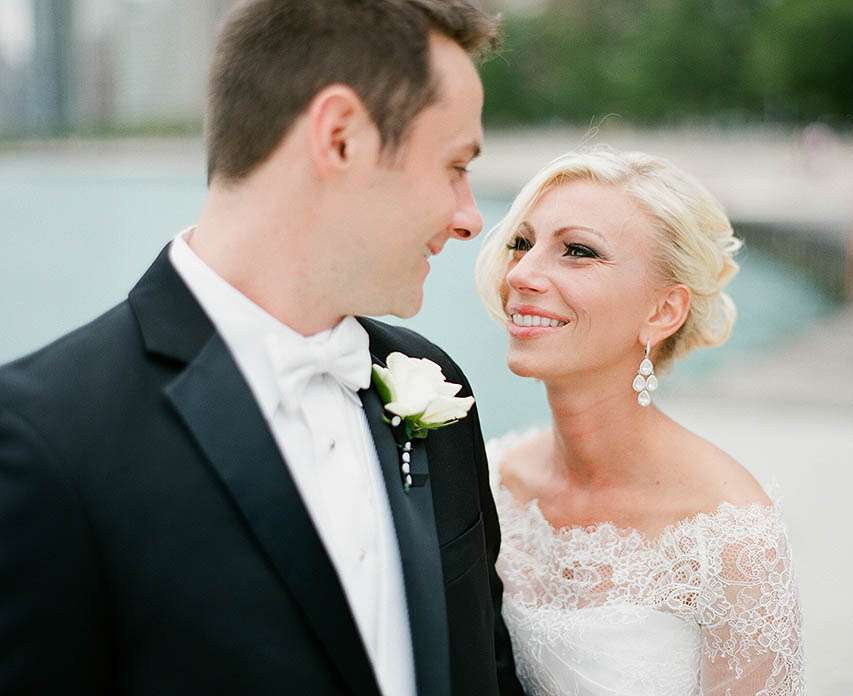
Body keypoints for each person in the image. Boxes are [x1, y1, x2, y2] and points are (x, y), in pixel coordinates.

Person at [0, 1, 522, 694]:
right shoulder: (43, 438)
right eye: (455, 166)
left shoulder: (434, 384)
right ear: (340, 138)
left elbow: (486, 668)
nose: (468, 218)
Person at [474, 147, 805, 695]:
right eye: (521, 243)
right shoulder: (493, 479)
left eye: (577, 251)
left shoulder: (730, 535)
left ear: (663, 311)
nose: (523, 274)